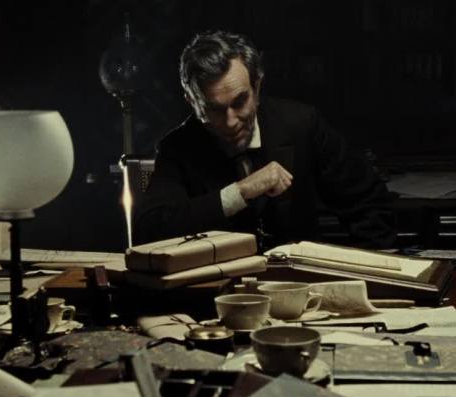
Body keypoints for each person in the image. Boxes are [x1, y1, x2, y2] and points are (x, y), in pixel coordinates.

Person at [135, 30, 398, 249]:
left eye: (240, 101)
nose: (230, 121)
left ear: (257, 87)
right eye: (214, 109)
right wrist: (240, 192)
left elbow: (369, 201)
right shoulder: (177, 148)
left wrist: (370, 272)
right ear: (192, 102)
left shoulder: (302, 124)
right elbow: (150, 229)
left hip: (300, 285)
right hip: (220, 289)